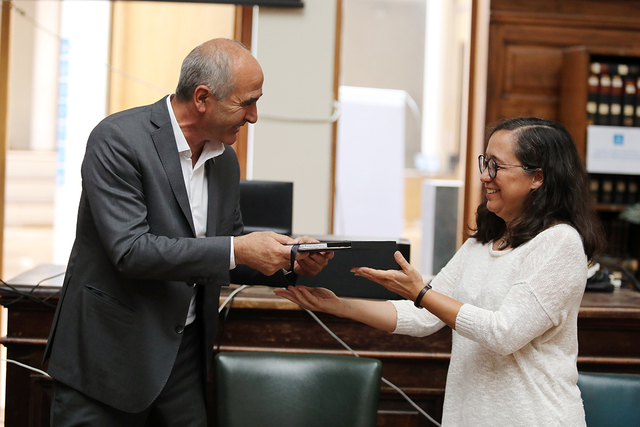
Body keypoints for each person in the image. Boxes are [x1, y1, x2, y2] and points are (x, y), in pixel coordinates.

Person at [44, 38, 332, 426]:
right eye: (246, 102)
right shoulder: (117, 140)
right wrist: (240, 249)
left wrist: (289, 259)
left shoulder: (224, 160)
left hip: (183, 359)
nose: (254, 117)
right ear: (202, 98)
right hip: (108, 360)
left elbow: (225, 253)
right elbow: (131, 251)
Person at [276, 117, 605, 427]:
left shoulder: (560, 242)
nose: (484, 176)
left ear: (538, 177)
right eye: (484, 162)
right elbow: (423, 317)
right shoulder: (483, 242)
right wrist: (334, 305)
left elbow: (504, 333)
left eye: (497, 166)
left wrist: (422, 293)